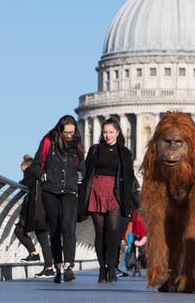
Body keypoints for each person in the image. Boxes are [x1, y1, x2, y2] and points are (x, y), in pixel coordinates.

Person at [80, 118, 136, 283]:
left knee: (113, 231)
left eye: (111, 132)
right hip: (97, 190)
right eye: (105, 132)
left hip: (115, 192)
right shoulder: (95, 150)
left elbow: (128, 177)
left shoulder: (124, 152)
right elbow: (86, 172)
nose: (108, 135)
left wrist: (130, 201)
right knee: (100, 233)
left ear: (118, 133)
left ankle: (112, 267)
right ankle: (102, 270)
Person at [34, 115, 84, 283]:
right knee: (55, 230)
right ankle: (58, 266)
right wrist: (43, 175)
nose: (70, 135)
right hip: (51, 190)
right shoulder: (48, 141)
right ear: (59, 130)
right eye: (66, 133)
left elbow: (82, 165)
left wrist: (80, 175)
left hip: (70, 190)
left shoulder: (77, 143)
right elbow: (36, 164)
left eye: (72, 132)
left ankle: (69, 265)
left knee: (68, 228)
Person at [14, 155, 54, 277]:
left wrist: (21, 182)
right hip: (44, 208)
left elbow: (27, 183)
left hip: (38, 211)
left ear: (26, 166)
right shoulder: (40, 172)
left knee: (20, 231)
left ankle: (38, 258)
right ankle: (47, 266)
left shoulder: (31, 170)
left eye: (23, 171)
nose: (24, 173)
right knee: (43, 239)